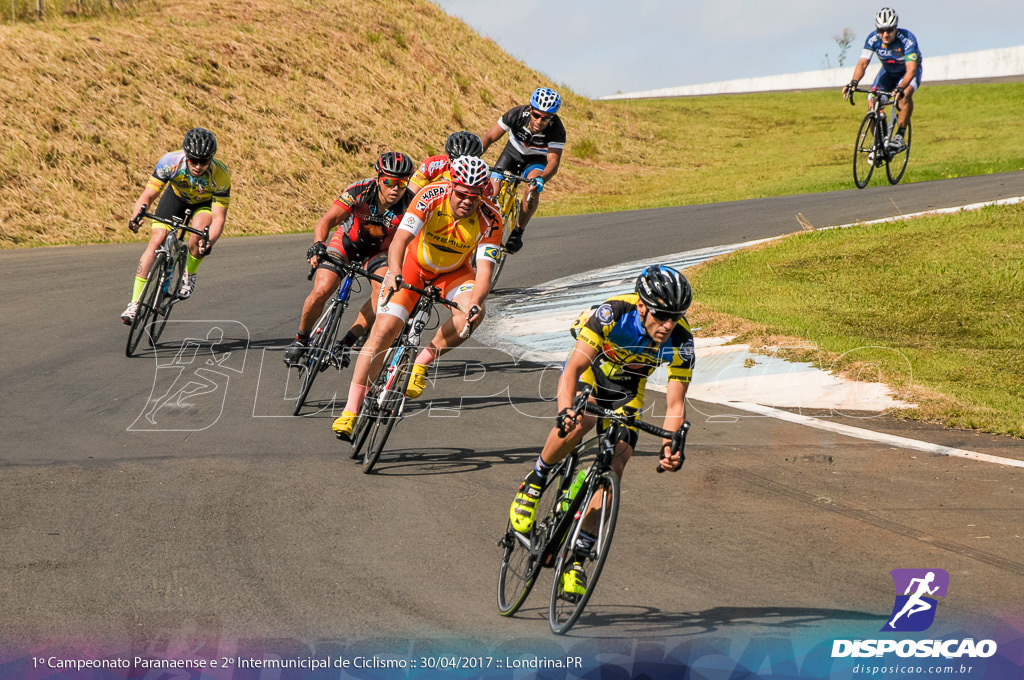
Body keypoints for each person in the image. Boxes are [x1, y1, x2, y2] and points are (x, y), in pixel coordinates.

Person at [507, 265, 694, 597]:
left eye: (676, 317)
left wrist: (670, 447)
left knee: (617, 464)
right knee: (582, 420)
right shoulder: (614, 314)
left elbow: (675, 404)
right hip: (592, 373)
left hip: (627, 389)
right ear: (642, 306)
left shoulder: (681, 341)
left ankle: (577, 559)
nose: (668, 325)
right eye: (663, 315)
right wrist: (564, 408)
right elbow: (574, 367)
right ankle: (534, 483)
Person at [331, 156, 503, 439]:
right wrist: (395, 271)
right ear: (451, 187)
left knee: (473, 316)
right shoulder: (430, 195)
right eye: (461, 194)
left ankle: (422, 361)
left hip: (455, 272)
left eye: (474, 197)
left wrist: (475, 301)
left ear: (482, 194)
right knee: (383, 332)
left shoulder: (492, 219)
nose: (467, 202)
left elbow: (484, 271)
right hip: (414, 266)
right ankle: (350, 411)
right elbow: (400, 240)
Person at [282, 152, 416, 366]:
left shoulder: (411, 204)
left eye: (401, 183)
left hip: (380, 252)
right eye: (390, 182)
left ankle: (347, 342)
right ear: (379, 178)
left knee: (382, 294)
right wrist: (318, 245)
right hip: (347, 243)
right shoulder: (359, 190)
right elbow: (329, 219)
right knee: (322, 289)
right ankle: (301, 340)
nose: (395, 188)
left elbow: (413, 242)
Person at [121, 127, 231, 324]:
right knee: (156, 242)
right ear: (186, 155)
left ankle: (190, 272)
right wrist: (137, 215)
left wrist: (209, 242)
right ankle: (134, 303)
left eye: (203, 161)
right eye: (193, 160)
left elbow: (219, 217)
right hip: (176, 198)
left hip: (202, 204)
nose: (198, 166)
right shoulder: (170, 162)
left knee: (197, 238)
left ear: (211, 159)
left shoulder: (221, 174)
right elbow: (148, 195)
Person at [479, 87, 566, 255]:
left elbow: (553, 162)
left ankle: (518, 232)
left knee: (531, 190)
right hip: (511, 153)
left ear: (551, 117)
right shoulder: (516, 114)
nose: (539, 121)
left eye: (545, 118)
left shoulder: (557, 129)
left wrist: (542, 179)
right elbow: (489, 137)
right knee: (491, 189)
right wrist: (473, 156)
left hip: (535, 160)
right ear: (530, 109)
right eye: (536, 115)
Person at [842, 7, 922, 153]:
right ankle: (880, 144)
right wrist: (853, 82)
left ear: (895, 28)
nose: (884, 34)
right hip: (888, 72)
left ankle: (900, 135)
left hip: (907, 73)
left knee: (904, 94)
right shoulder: (873, 39)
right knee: (872, 102)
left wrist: (900, 88)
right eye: (880, 30)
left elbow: (911, 70)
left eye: (889, 30)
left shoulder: (907, 39)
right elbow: (862, 63)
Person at [407, 131, 484, 194]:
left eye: (466, 163)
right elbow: (410, 195)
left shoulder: (482, 177)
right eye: (456, 162)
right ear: (449, 159)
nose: (461, 167)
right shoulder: (433, 164)